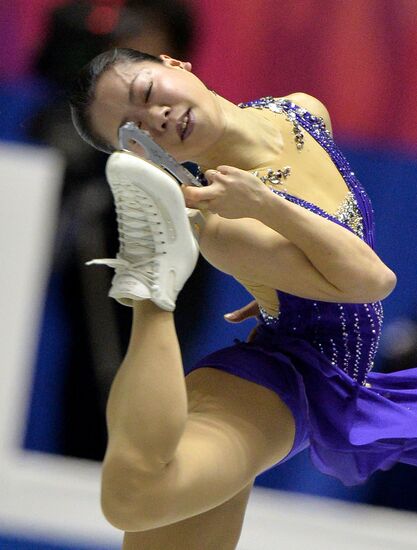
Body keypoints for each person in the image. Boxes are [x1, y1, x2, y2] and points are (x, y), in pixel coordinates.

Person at [69, 48, 417, 549]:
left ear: (176, 65)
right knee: (133, 498)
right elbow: (374, 281)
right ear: (141, 157)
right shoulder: (226, 226)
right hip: (288, 378)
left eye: (146, 94)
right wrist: (266, 211)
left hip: (300, 353)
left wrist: (283, 285)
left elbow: (337, 243)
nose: (157, 119)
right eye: (134, 132)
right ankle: (150, 289)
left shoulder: (300, 110)